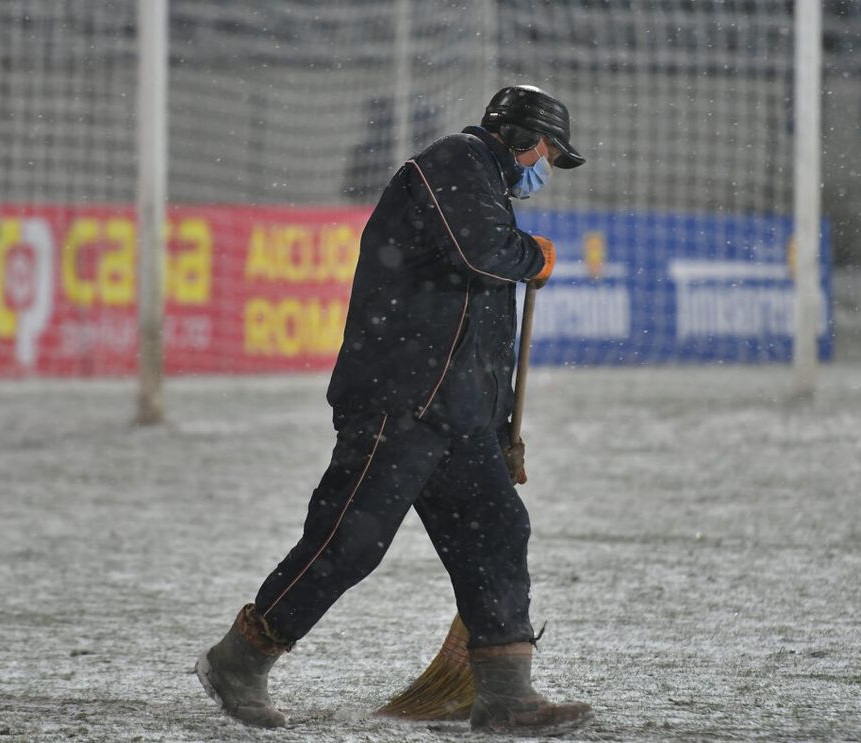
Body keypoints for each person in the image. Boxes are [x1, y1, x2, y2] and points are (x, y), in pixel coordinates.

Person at [197, 85, 593, 736]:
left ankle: (504, 694)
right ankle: (241, 658)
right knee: (349, 540)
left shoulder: (490, 193)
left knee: (496, 530)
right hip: (399, 400)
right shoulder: (455, 163)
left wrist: (498, 433)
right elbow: (478, 252)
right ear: (523, 136)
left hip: (457, 416)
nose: (548, 165)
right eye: (550, 150)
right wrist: (534, 258)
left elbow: (485, 344)